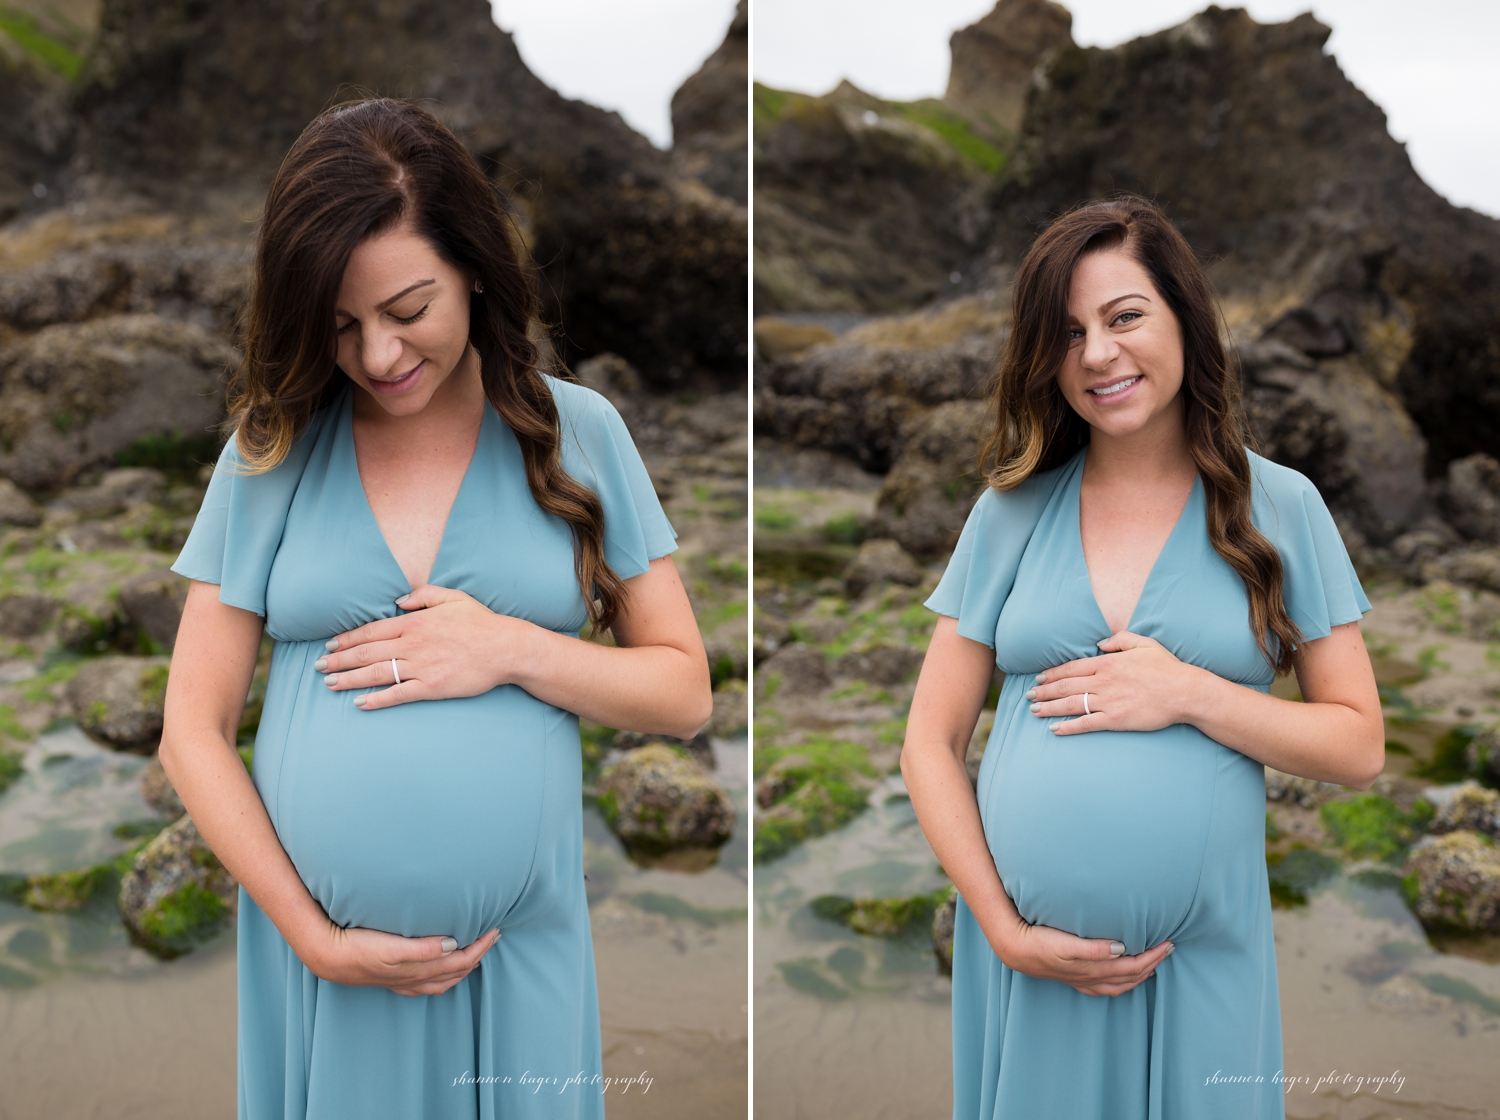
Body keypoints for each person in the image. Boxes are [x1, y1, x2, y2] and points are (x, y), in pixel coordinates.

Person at [158, 98, 713, 1119]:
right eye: (340, 325)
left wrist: (509, 648)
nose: (378, 355)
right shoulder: (272, 450)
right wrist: (314, 936)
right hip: (324, 970)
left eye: (407, 309)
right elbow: (191, 729)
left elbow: (684, 693)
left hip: (520, 959)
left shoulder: (578, 432)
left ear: (474, 268)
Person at [900, 196, 1384, 1119]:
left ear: (1185, 321)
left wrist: (1191, 692)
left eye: (1125, 317)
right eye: (1067, 333)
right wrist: (1001, 929)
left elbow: (1359, 747)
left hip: (1204, 963)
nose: (1097, 354)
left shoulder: (1284, 508)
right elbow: (929, 741)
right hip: (1031, 966)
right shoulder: (1009, 511)